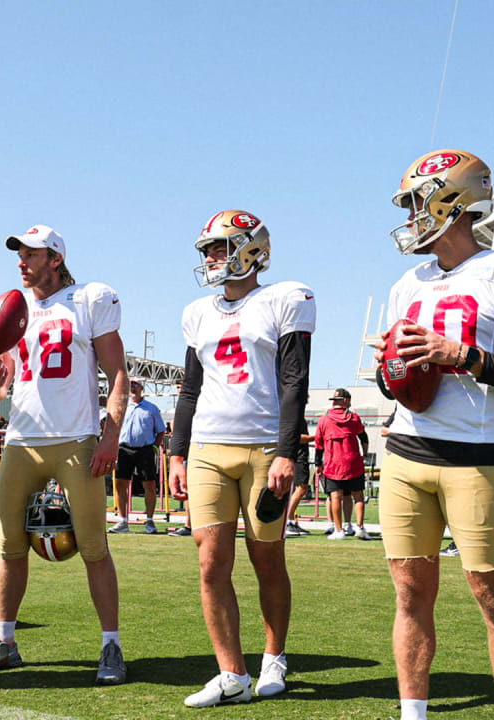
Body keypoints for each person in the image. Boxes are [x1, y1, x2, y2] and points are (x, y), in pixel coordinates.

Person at [375, 149, 494, 720]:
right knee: (409, 594)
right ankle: (413, 714)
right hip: (405, 456)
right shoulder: (409, 282)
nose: (409, 218)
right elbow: (398, 387)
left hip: (472, 460)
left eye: (415, 204)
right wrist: (395, 370)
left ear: (450, 200)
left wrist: (463, 355)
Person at [0, 224, 129, 686]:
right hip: (22, 440)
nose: (22, 261)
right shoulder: (15, 312)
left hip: (76, 437)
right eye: (19, 253)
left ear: (55, 259)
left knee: (95, 547)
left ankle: (111, 645)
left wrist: (110, 434)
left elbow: (118, 372)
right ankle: (4, 641)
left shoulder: (89, 299)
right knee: (9, 547)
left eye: (32, 254)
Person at [169, 209, 315, 706]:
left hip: (261, 446)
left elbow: (295, 380)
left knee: (266, 558)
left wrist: (287, 452)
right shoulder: (196, 312)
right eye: (207, 250)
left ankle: (273, 657)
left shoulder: (284, 299)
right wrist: (176, 452)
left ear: (250, 248)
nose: (211, 258)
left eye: (219, 247)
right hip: (208, 447)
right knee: (211, 563)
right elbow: (190, 389)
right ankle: (231, 674)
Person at [110, 380, 167, 534]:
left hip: (145, 450)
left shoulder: (152, 409)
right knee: (120, 485)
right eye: (130, 386)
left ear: (142, 388)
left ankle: (149, 521)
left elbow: (161, 430)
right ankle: (122, 521)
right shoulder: (121, 407)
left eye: (136, 386)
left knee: (149, 485)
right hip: (124, 449)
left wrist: (155, 447)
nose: (133, 389)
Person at [315, 388, 371, 541]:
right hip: (353, 463)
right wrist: (364, 455)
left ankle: (338, 530)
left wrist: (318, 463)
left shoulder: (323, 420)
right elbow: (363, 437)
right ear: (346, 401)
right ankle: (360, 527)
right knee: (358, 496)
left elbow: (319, 445)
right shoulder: (353, 418)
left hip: (333, 464)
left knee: (335, 497)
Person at [284, 418, 316, 537]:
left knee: (295, 490)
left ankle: (291, 521)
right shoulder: (294, 418)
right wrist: (316, 437)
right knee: (302, 488)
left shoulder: (296, 417)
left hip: (297, 456)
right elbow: (296, 437)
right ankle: (288, 521)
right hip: (298, 457)